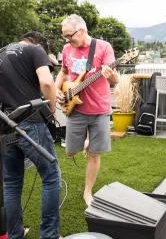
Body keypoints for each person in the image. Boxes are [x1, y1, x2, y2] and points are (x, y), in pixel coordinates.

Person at [0, 31, 62, 239]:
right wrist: (53, 111)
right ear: (40, 45)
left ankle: (15, 234)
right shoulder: (35, 51)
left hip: (4, 126)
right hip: (31, 122)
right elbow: (47, 83)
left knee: (11, 182)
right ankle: (50, 235)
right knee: (51, 177)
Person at [55, 14, 118, 206]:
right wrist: (58, 89)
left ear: (81, 31)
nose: (67, 40)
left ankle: (87, 191)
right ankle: (85, 144)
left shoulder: (103, 47)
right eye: (64, 36)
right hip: (75, 108)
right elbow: (64, 71)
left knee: (95, 154)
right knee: (70, 151)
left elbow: (114, 80)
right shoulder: (67, 49)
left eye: (69, 35)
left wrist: (110, 75)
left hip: (99, 109)